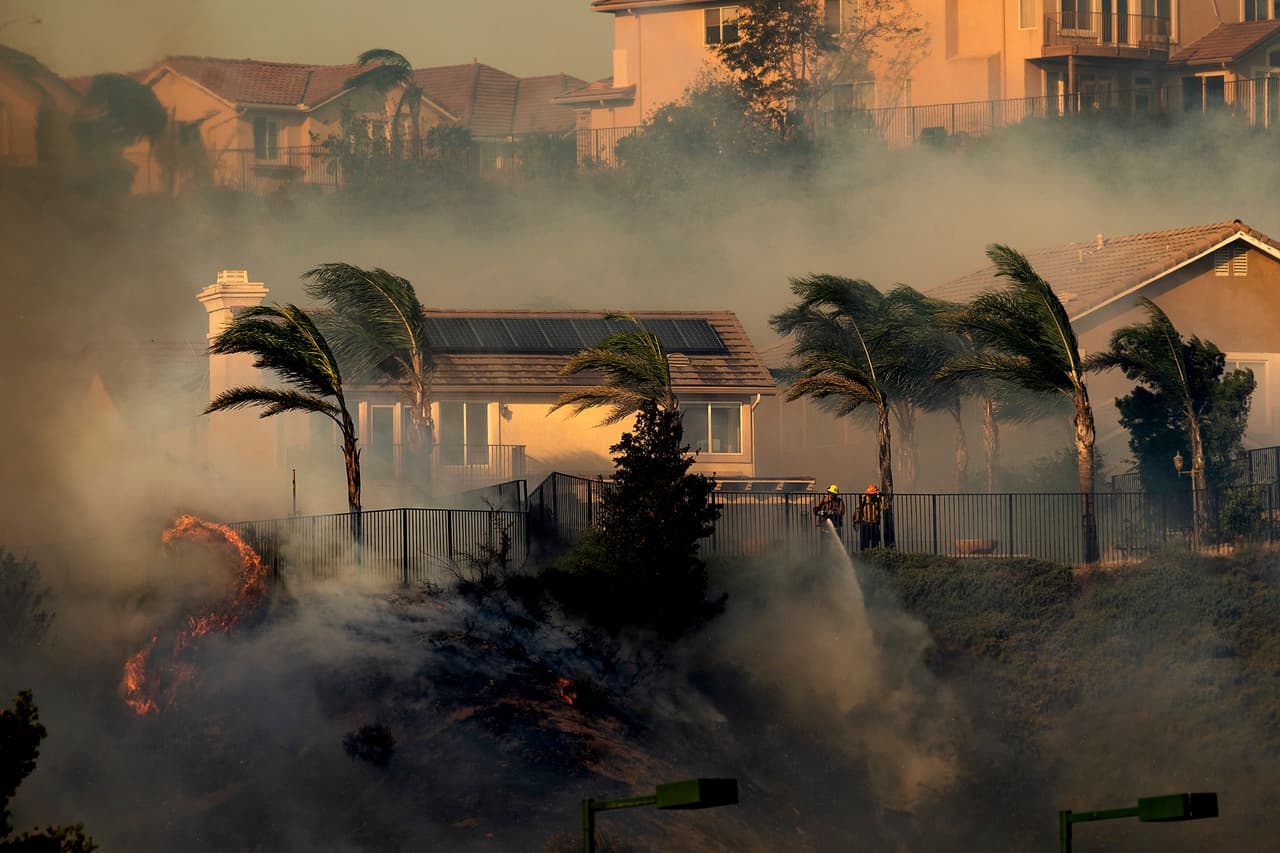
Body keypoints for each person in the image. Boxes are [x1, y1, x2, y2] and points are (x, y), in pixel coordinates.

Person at [856, 484, 882, 550]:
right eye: (872, 494)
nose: (872, 496)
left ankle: (874, 554)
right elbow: (858, 510)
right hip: (865, 523)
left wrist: (881, 498)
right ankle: (864, 555)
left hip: (875, 523)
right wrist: (857, 521)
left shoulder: (877, 500)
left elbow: (882, 508)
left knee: (875, 542)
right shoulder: (863, 500)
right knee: (865, 543)